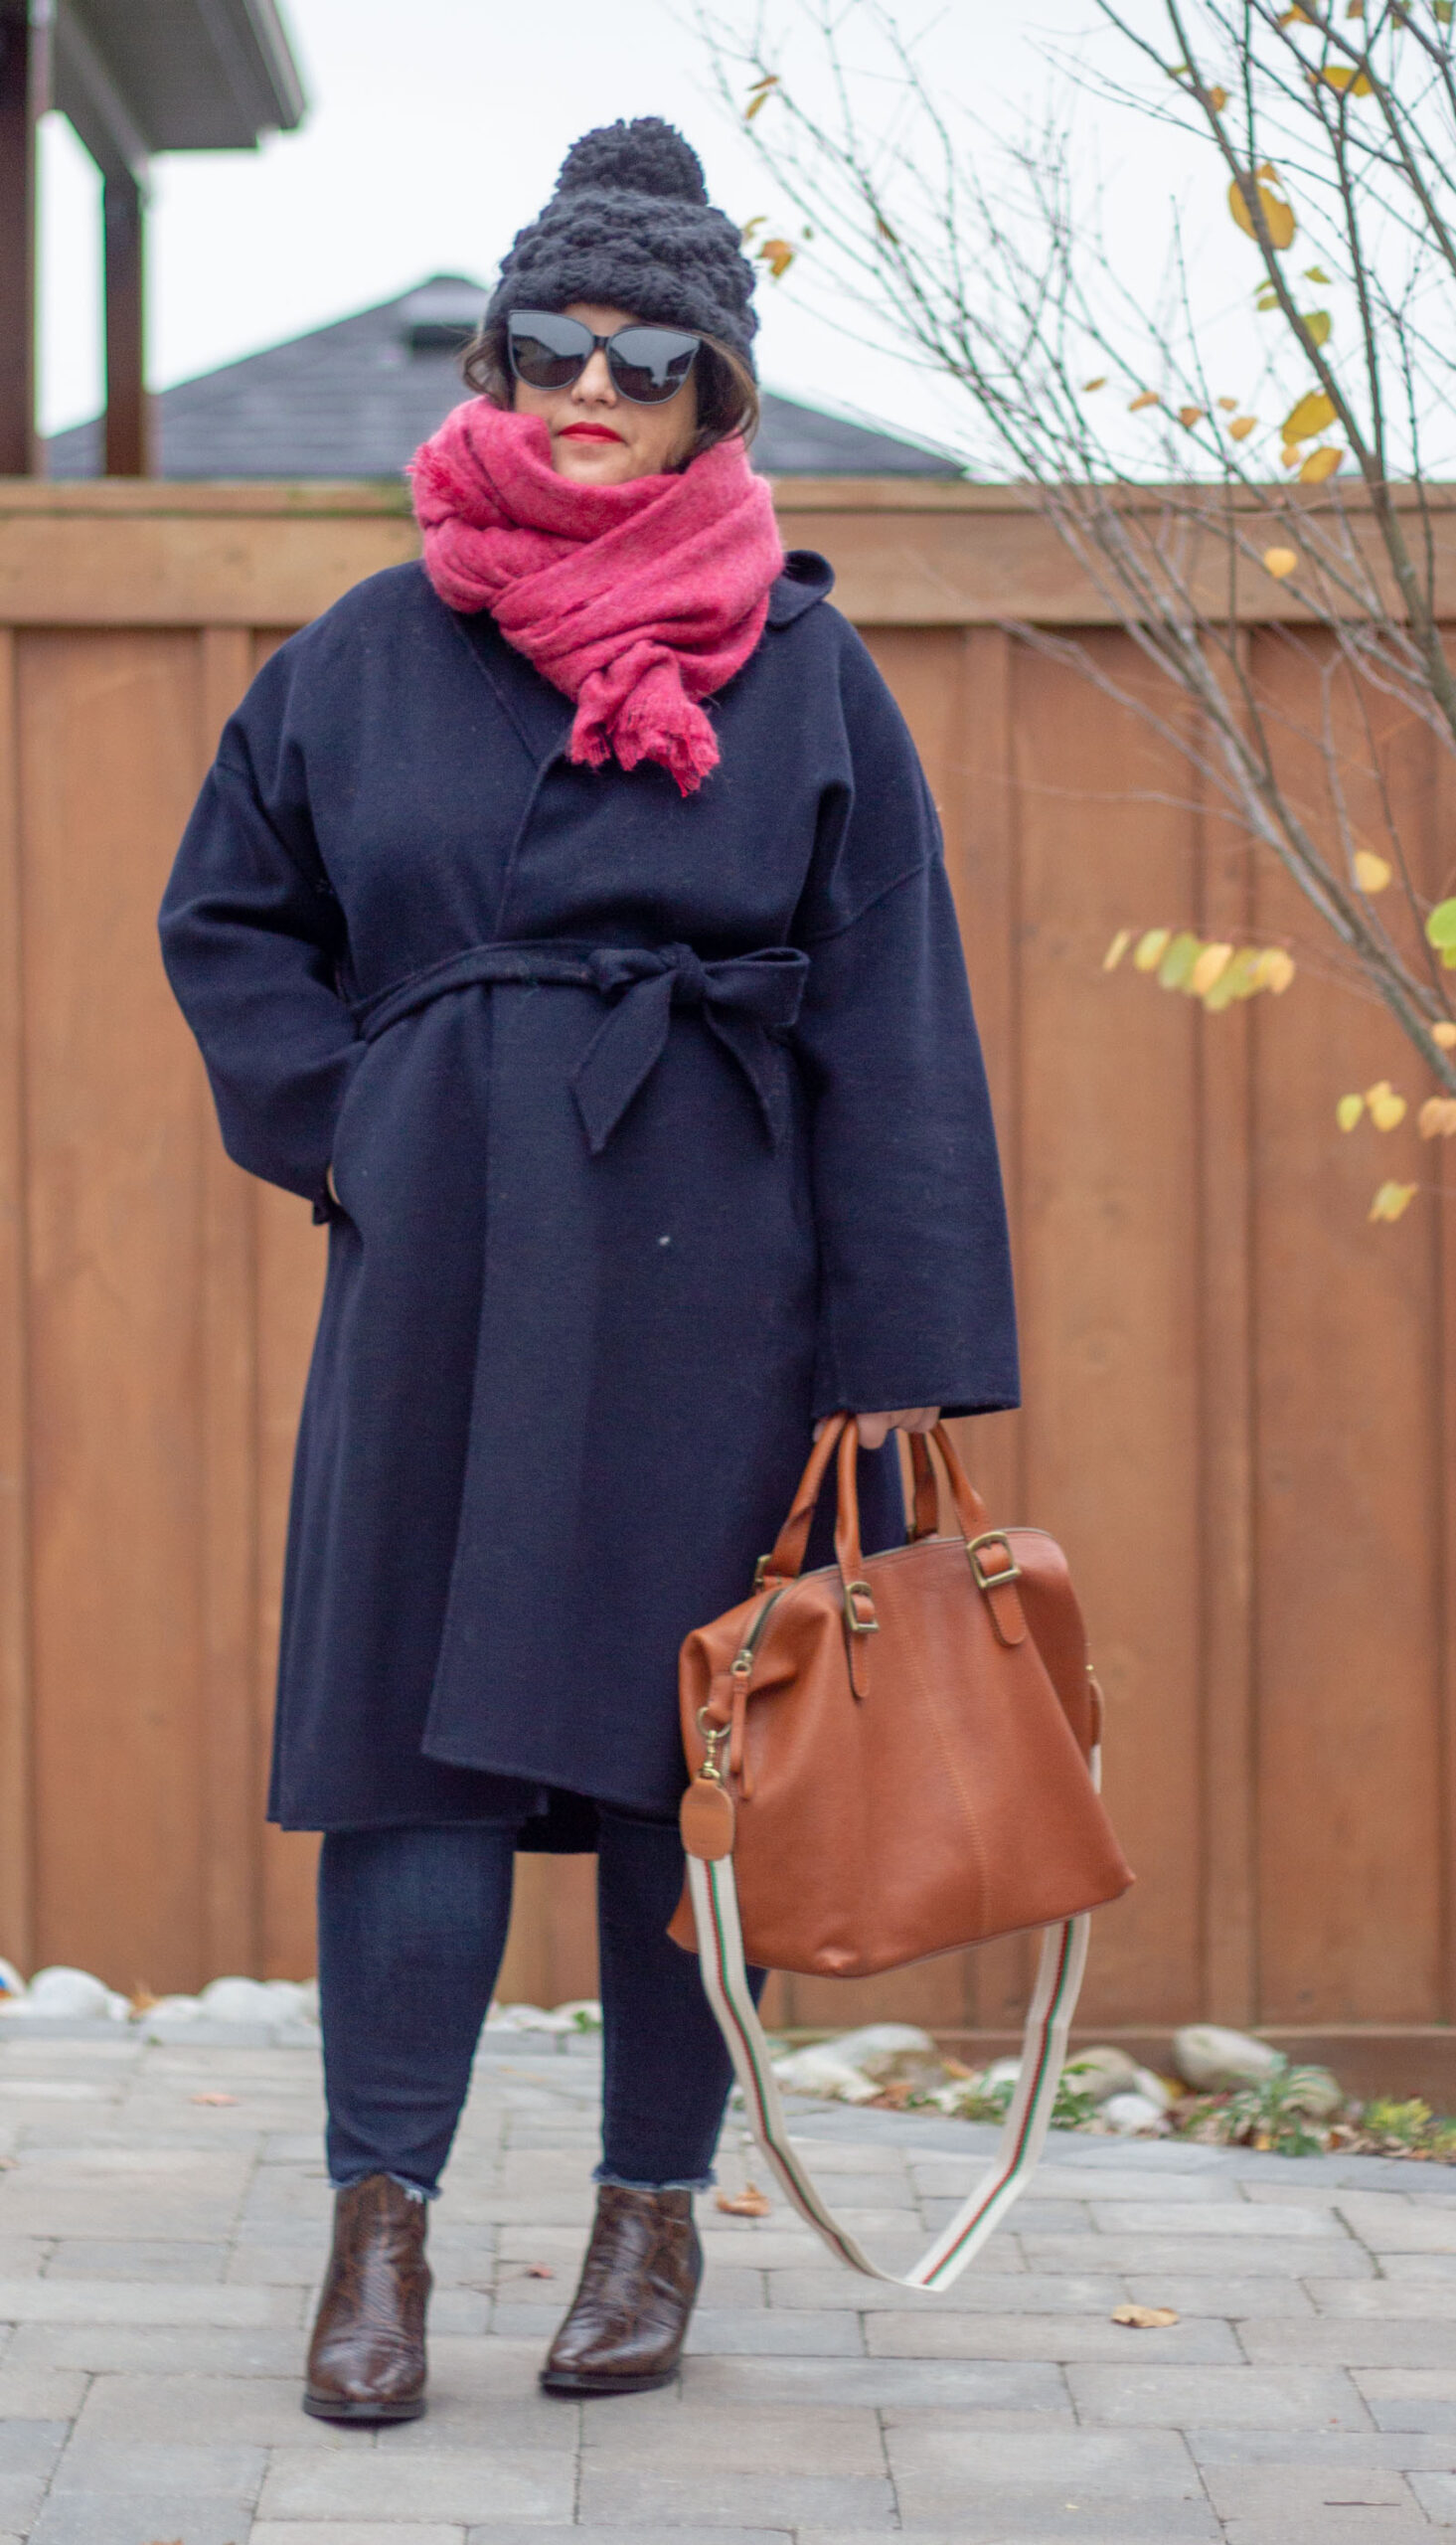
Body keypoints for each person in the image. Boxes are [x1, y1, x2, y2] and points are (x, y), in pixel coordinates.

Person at [158, 116, 1018, 2425]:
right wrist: (367, 1127)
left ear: (717, 399)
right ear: (495, 353)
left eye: (653, 359)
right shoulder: (363, 651)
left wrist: (896, 1355)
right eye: (555, 342)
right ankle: (383, 2238)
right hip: (442, 1265)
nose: (593, 385)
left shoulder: (808, 672)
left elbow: (888, 1011)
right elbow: (228, 919)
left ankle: (652, 2220)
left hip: (712, 1270)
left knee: (683, 1767)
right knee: (405, 1762)